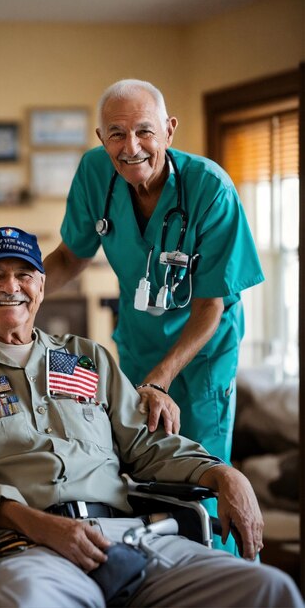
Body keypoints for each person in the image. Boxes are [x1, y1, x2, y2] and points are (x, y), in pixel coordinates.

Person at [0, 226, 302, 608]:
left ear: (41, 286)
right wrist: (40, 526)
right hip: (26, 547)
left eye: (24, 274)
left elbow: (146, 445)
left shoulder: (84, 357)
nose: (10, 286)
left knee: (267, 589)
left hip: (130, 539)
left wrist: (224, 475)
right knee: (26, 600)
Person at [44, 79, 264, 467]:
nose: (131, 147)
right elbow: (69, 257)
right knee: (141, 462)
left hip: (203, 352)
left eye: (144, 130)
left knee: (200, 470)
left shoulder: (211, 190)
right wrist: (21, 293)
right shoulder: (95, 173)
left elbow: (210, 304)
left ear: (169, 130)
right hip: (139, 342)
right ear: (101, 137)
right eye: (116, 134)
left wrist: (159, 380)